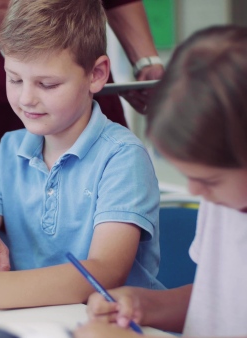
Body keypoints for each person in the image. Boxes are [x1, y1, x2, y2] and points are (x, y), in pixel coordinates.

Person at [0, 0, 162, 314]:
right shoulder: (9, 151)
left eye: (47, 84)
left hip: (112, 325)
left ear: (96, 74)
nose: (26, 99)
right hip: (31, 324)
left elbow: (105, 271)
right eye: (14, 79)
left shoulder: (122, 158)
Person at [75, 26, 247, 338]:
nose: (195, 192)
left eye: (209, 179)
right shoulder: (223, 200)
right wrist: (144, 304)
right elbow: (220, 302)